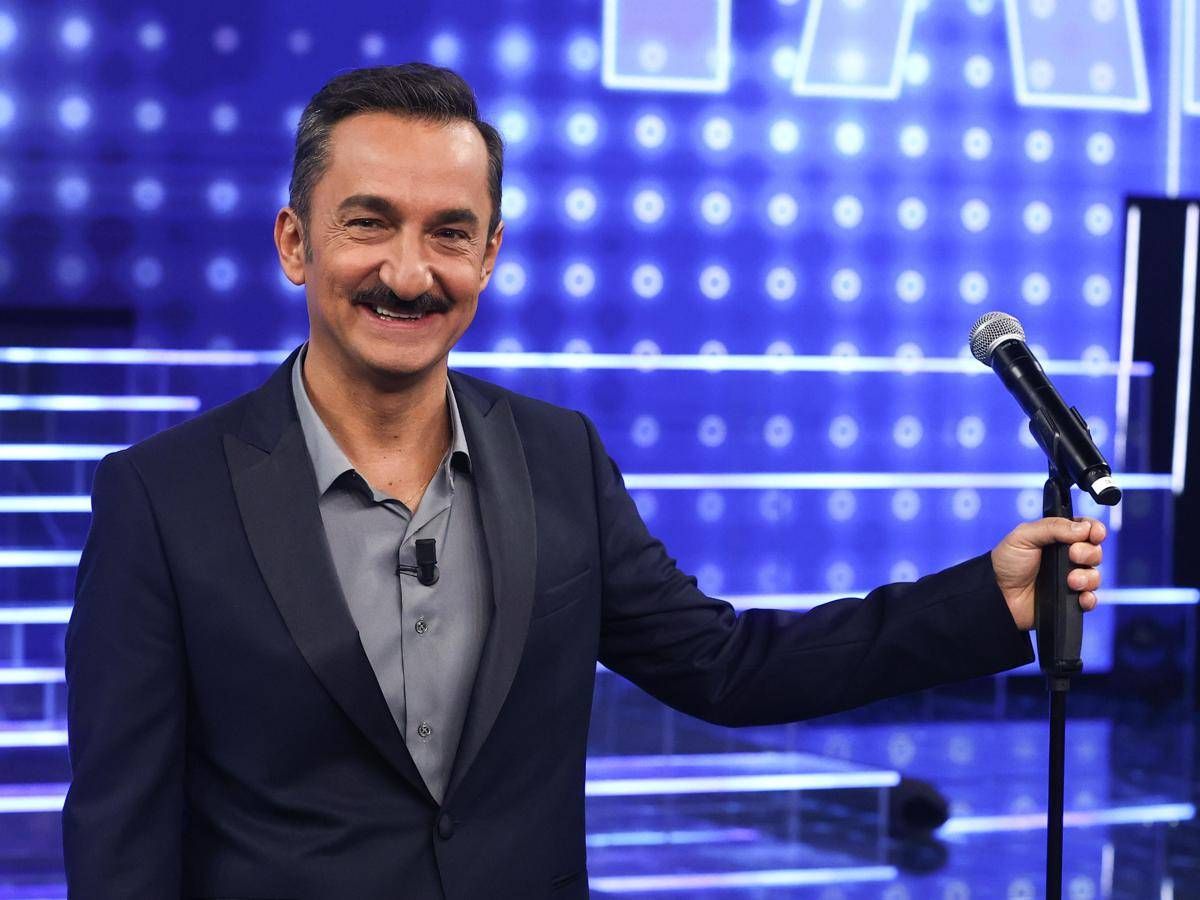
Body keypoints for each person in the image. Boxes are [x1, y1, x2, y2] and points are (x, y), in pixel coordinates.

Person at [63, 64, 1105, 899]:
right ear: (296, 242)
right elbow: (121, 839)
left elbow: (725, 667)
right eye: (368, 222)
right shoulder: (161, 499)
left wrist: (985, 600)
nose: (410, 273)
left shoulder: (557, 457)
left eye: (449, 233)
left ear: (490, 255)